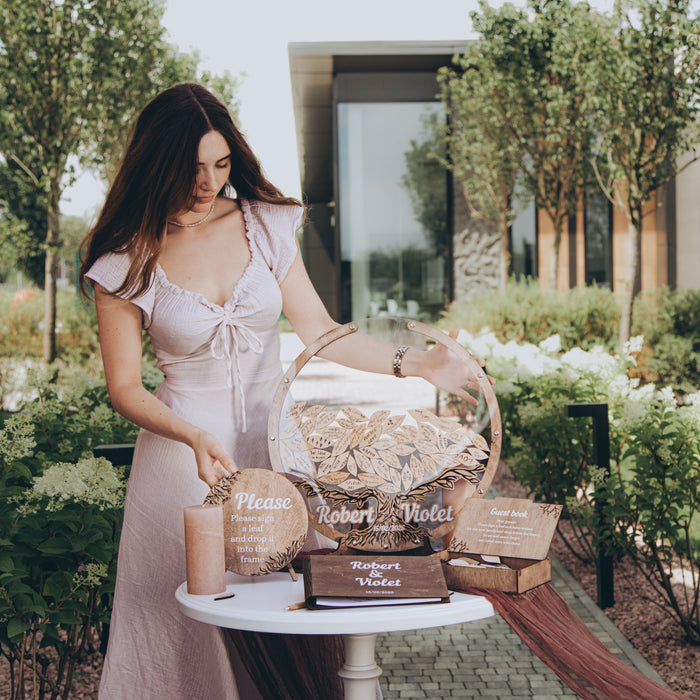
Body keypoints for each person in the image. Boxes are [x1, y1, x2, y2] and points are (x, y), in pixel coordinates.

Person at [80, 82, 488, 700]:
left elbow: (321, 333)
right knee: (190, 630)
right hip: (182, 461)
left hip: (277, 453)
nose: (209, 182)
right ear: (157, 162)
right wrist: (191, 434)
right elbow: (125, 387)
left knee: (293, 622)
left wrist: (417, 365)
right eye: (192, 168)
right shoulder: (125, 255)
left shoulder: (264, 225)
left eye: (221, 164)